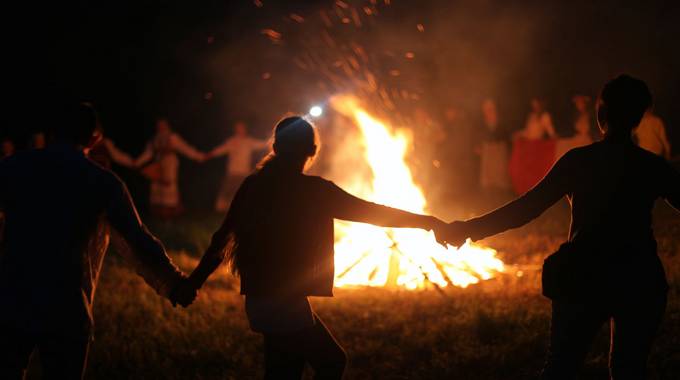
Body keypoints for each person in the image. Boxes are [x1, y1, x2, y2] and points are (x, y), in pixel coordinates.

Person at [172, 116, 447, 379]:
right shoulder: (315, 191)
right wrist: (429, 222)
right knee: (331, 362)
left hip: (258, 299)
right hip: (285, 305)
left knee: (283, 372)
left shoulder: (253, 185)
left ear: (276, 147)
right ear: (312, 151)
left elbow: (220, 239)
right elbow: (374, 213)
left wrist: (193, 284)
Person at [444, 75, 679, 379]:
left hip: (584, 274)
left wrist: (469, 228)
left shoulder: (579, 161)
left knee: (561, 368)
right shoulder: (651, 166)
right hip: (639, 277)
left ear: (600, 114)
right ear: (638, 117)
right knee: (629, 370)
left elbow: (526, 208)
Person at [0, 103, 193, 379]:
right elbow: (137, 240)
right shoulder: (102, 182)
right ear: (95, 138)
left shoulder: (13, 167)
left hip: (12, 299)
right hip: (65, 307)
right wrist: (174, 283)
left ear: (51, 133)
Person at [134, 118, 207, 217]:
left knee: (169, 184)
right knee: (157, 185)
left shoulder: (172, 137)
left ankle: (171, 213)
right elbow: (149, 153)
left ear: (167, 125)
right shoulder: (155, 139)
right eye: (159, 124)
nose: (160, 126)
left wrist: (199, 156)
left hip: (170, 163)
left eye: (162, 124)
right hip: (158, 163)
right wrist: (137, 162)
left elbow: (185, 148)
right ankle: (159, 213)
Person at [208, 121, 268, 212]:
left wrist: (271, 140)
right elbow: (221, 149)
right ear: (235, 129)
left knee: (241, 191)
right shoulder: (232, 141)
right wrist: (210, 154)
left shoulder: (249, 141)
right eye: (238, 128)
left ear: (245, 129)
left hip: (243, 172)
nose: (241, 130)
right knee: (227, 190)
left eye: (242, 128)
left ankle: (239, 208)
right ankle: (220, 207)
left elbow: (262, 144)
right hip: (232, 171)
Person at [477, 98, 510, 191]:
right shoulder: (482, 123)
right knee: (488, 180)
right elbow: (479, 135)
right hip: (488, 152)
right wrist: (479, 146)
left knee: (499, 177)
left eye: (490, 109)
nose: (488, 112)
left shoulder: (501, 122)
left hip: (499, 152)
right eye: (486, 110)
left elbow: (505, 136)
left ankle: (500, 193)